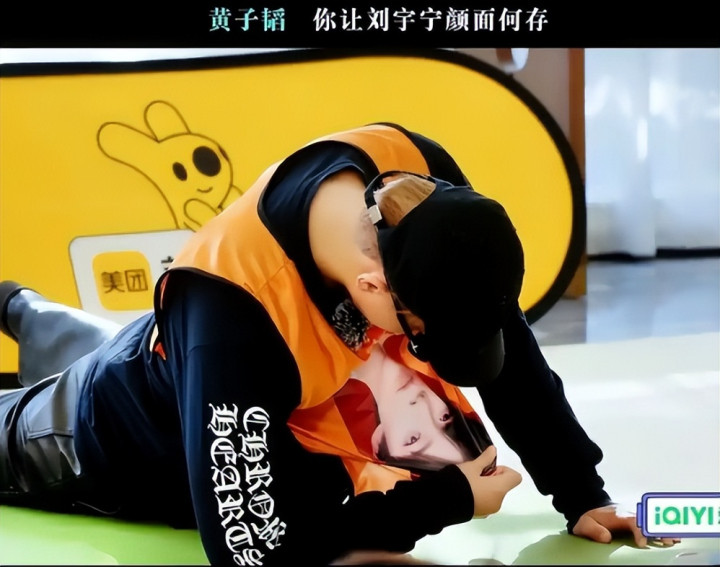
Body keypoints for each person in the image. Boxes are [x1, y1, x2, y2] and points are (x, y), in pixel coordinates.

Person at [0, 122, 677, 565]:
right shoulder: (232, 315)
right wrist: (446, 502)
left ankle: (18, 307)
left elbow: (511, 353)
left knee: (115, 348)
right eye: (418, 337)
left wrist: (582, 492)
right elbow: (254, 549)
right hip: (114, 442)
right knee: (66, 399)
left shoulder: (418, 177)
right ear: (373, 287)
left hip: (185, 361)